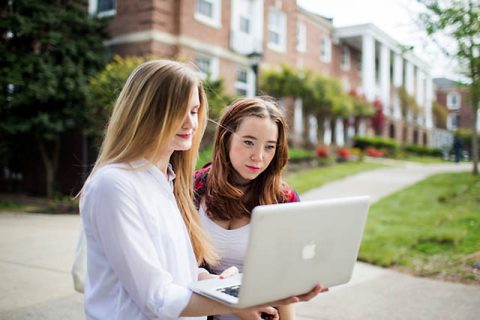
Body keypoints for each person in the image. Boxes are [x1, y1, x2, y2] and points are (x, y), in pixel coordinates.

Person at [79, 60, 324, 320]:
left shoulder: (168, 181)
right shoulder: (115, 185)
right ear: (144, 112)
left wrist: (217, 281)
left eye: (194, 111)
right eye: (176, 111)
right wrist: (237, 302)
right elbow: (157, 298)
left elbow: (175, 272)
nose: (189, 123)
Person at [194, 97, 304, 320]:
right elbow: (177, 267)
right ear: (226, 139)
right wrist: (235, 305)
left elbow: (285, 279)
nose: (259, 156)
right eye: (248, 142)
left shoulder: (284, 199)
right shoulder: (195, 189)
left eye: (270, 147)